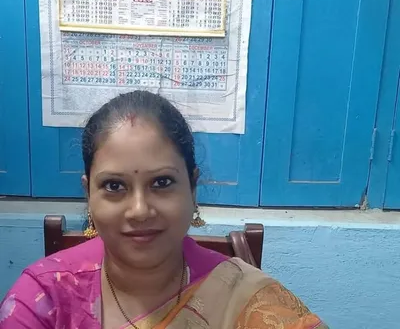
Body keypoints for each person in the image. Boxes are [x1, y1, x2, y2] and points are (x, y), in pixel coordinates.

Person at [0, 91, 329, 328]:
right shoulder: (46, 297)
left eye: (161, 182)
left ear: (193, 188)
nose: (139, 210)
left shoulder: (243, 298)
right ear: (89, 194)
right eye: (114, 186)